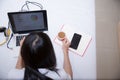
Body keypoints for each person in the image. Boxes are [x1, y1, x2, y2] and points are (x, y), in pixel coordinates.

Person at [8, 31, 73, 80]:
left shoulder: (12, 75)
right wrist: (65, 51)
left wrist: (22, 49)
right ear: (50, 53)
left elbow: (17, 72)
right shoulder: (60, 75)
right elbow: (69, 76)